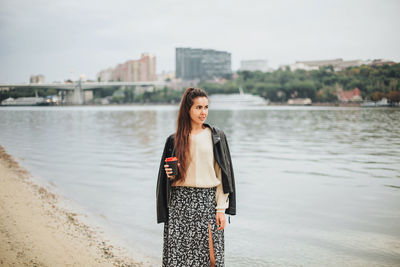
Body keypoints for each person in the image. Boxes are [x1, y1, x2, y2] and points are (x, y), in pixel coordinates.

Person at [156, 87, 236, 267]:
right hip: (180, 202)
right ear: (188, 109)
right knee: (180, 259)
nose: (203, 112)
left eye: (206, 107)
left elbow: (222, 174)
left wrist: (221, 209)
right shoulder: (174, 139)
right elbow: (166, 180)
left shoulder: (216, 137)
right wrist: (169, 175)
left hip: (206, 202)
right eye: (198, 107)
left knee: (212, 259)